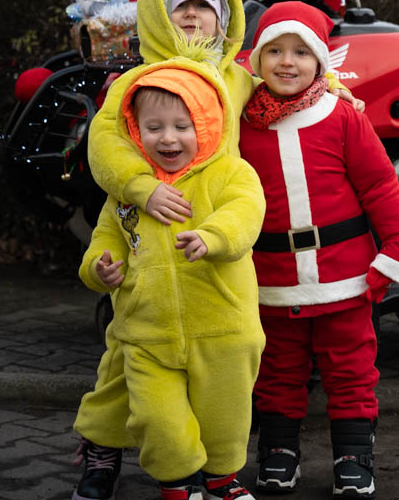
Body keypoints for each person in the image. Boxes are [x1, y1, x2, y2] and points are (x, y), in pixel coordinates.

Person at [73, 0, 361, 499]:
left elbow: (286, 83)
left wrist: (331, 93)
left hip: (213, 232)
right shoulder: (136, 80)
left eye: (206, 9)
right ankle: (102, 446)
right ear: (159, 13)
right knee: (126, 354)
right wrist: (141, 187)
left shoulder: (235, 76)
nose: (194, 19)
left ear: (224, 17)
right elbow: (105, 144)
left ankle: (214, 469)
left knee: (216, 367)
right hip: (150, 226)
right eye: (182, 8)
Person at [238, 1, 399, 498]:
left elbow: (381, 187)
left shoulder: (342, 117)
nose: (287, 62)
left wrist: (394, 254)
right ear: (257, 59)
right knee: (276, 371)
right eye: (274, 50)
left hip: (345, 277)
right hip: (271, 280)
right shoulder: (242, 125)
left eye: (300, 51)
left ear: (321, 60)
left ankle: (354, 459)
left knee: (352, 372)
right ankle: (278, 453)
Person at [73, 61, 266, 500]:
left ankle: (221, 479)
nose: (168, 138)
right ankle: (177, 483)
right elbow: (106, 240)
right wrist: (99, 270)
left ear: (208, 123)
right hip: (146, 332)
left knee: (225, 414)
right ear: (136, 131)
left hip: (224, 330)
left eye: (183, 125)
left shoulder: (231, 173)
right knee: (158, 419)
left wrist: (213, 237)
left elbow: (245, 214)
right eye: (154, 127)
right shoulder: (127, 193)